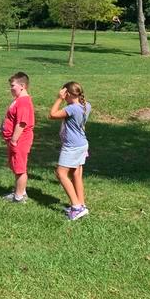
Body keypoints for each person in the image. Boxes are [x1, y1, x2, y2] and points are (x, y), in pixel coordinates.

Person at [49, 82, 91, 221]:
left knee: (61, 173)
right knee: (76, 174)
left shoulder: (72, 108)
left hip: (72, 147)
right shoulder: (86, 105)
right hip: (82, 144)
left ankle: (76, 207)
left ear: (67, 93)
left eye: (63, 92)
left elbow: (52, 114)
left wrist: (59, 99)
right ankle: (81, 204)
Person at [1, 72, 35, 203]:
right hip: (14, 140)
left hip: (20, 140)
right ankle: (20, 191)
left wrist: (14, 140)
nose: (11, 88)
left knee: (20, 168)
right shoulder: (18, 100)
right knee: (16, 166)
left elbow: (22, 123)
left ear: (22, 85)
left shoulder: (24, 102)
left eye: (12, 85)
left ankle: (19, 197)